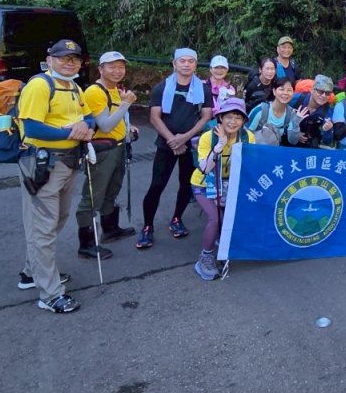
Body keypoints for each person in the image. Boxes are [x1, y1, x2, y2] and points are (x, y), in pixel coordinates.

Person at [16, 39, 95, 314]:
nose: (70, 62)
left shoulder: (73, 86)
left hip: (68, 164)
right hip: (43, 165)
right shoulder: (40, 85)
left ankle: (32, 273)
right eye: (63, 58)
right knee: (43, 228)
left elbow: (89, 117)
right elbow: (32, 127)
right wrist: (71, 133)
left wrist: (86, 125)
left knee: (57, 220)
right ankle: (49, 294)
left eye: (74, 58)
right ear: (49, 59)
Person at [137, 48, 213, 250]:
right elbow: (155, 117)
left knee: (186, 185)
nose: (186, 64)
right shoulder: (162, 88)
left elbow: (206, 117)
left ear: (196, 65)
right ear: (174, 64)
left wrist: (184, 138)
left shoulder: (203, 89)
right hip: (166, 143)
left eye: (191, 61)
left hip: (191, 144)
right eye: (182, 61)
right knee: (157, 185)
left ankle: (177, 218)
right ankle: (147, 226)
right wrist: (172, 140)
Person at [76, 51, 138, 261]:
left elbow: (115, 118)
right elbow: (104, 124)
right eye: (111, 66)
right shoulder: (95, 91)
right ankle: (86, 245)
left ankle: (110, 230)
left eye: (121, 66)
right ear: (100, 69)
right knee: (93, 197)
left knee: (111, 191)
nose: (117, 71)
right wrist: (126, 103)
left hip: (118, 147)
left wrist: (129, 127)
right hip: (103, 151)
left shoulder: (114, 89)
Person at [191, 97, 253, 281]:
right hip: (204, 184)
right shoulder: (208, 137)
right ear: (220, 118)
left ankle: (222, 243)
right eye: (228, 117)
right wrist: (219, 146)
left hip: (229, 184)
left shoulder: (247, 136)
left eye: (238, 118)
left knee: (228, 220)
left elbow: (250, 163)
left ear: (243, 121)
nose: (233, 122)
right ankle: (205, 257)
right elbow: (204, 169)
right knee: (215, 218)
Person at [247, 76, 302, 146]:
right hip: (254, 150)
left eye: (289, 90)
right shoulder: (260, 111)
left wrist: (296, 124)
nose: (285, 93)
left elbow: (293, 141)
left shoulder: (291, 113)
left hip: (273, 151)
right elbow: (245, 135)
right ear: (274, 91)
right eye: (282, 89)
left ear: (293, 93)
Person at [290, 74, 336, 148]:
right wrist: (294, 132)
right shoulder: (297, 99)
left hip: (310, 146)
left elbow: (327, 141)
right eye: (320, 91)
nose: (323, 95)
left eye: (327, 93)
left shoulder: (327, 111)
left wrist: (327, 131)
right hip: (288, 143)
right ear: (312, 90)